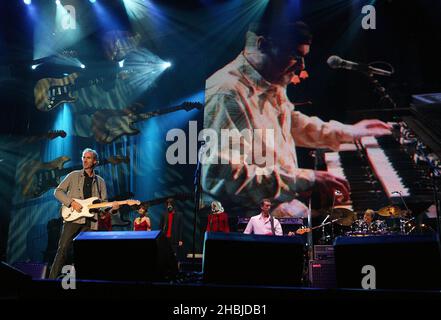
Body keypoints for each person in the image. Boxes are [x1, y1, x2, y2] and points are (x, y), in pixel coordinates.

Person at [202, 21, 392, 218]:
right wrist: (305, 179)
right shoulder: (227, 94)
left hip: (277, 208)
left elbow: (290, 122)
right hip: (246, 226)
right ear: (262, 45)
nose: (302, 66)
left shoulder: (269, 80)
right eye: (295, 56)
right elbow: (221, 177)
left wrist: (349, 132)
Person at [49, 148, 119, 279]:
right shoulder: (73, 175)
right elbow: (57, 192)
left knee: (88, 253)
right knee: (63, 249)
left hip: (91, 223)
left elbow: (103, 205)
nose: (85, 160)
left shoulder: (100, 182)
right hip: (73, 219)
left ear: (95, 161)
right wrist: (71, 203)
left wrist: (113, 208)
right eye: (83, 157)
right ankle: (50, 281)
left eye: (88, 158)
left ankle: (83, 281)